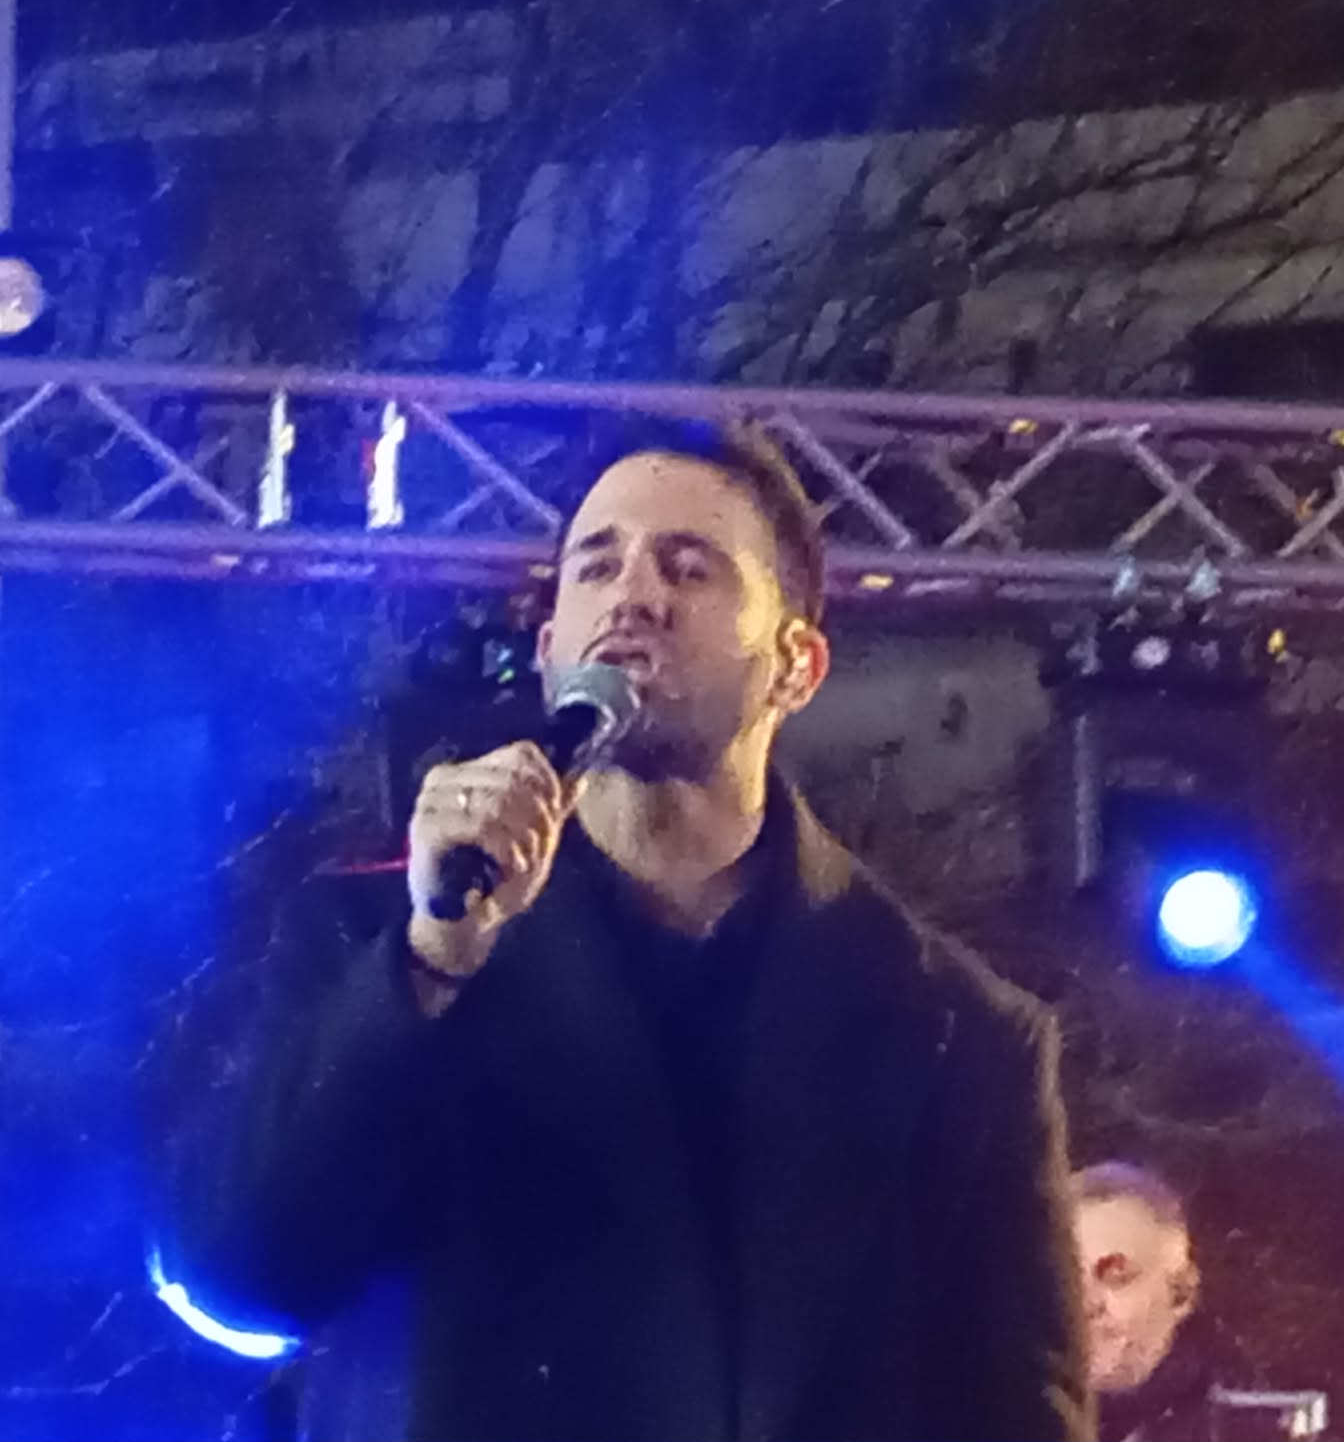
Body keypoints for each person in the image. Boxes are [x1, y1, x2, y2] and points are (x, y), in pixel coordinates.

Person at [166, 420, 1091, 1442]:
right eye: (596, 565)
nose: (634, 596)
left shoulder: (960, 1035)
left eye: (689, 569)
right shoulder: (374, 941)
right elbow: (236, 1276)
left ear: (796, 666)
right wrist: (429, 966)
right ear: (549, 648)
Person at [1073, 1161, 1250, 1442]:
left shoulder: (1241, 1428)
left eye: (1117, 1277)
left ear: (1181, 1291)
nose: (1087, 1304)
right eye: (1067, 1280)